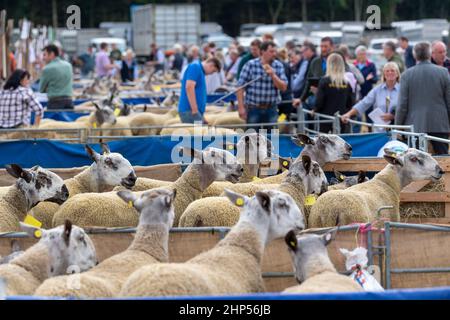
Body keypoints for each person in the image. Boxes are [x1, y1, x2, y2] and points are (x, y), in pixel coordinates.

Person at [395, 42, 450, 155]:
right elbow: (449, 102)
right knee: (443, 159)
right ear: (430, 54)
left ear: (414, 56)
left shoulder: (406, 75)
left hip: (415, 125)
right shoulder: (443, 72)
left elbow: (402, 106)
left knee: (416, 162)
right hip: (440, 123)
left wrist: (399, 127)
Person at [237, 41, 288, 131]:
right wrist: (241, 107)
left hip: (271, 109)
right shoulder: (250, 65)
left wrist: (273, 75)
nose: (274, 54)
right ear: (263, 52)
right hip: (253, 109)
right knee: (251, 138)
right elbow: (240, 87)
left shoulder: (278, 65)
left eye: (275, 51)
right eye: (271, 51)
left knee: (272, 139)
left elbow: (283, 87)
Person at [342, 62, 401, 132]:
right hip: (380, 131)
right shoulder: (377, 90)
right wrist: (349, 114)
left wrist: (393, 116)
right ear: (384, 75)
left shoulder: (403, 90)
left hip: (397, 131)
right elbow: (364, 103)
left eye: (392, 70)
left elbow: (406, 108)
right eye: (387, 71)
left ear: (397, 74)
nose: (390, 73)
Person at [313, 53, 354, 134]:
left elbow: (319, 102)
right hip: (341, 118)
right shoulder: (347, 83)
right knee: (340, 143)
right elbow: (350, 103)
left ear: (329, 64)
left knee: (323, 143)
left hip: (325, 118)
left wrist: (315, 109)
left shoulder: (324, 81)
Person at [178, 57, 222, 124]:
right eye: (213, 71)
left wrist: (201, 116)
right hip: (189, 111)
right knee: (197, 133)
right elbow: (189, 87)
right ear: (211, 65)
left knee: (199, 133)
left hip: (193, 112)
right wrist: (195, 110)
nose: (211, 74)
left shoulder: (200, 71)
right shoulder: (195, 67)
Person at [296, 37, 335, 109]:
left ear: (332, 47)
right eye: (321, 46)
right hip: (316, 100)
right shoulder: (315, 61)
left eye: (325, 46)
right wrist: (301, 99)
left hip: (333, 100)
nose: (323, 49)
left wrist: (320, 91)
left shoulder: (338, 61)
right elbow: (308, 82)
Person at [39, 44, 73, 110]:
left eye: (44, 55)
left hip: (55, 103)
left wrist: (51, 88)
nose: (43, 58)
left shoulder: (47, 69)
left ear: (52, 54)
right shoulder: (68, 66)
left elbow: (41, 89)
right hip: (69, 102)